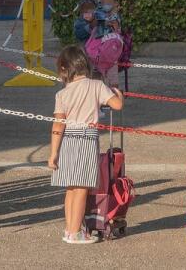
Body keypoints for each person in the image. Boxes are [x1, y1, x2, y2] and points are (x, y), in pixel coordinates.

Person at [48, 46, 124, 244]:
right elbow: (117, 105)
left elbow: (58, 125)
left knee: (71, 188)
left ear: (64, 69)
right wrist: (118, 92)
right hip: (87, 138)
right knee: (82, 188)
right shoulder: (96, 85)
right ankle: (76, 233)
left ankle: (69, 228)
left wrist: (53, 153)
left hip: (67, 140)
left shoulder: (62, 94)